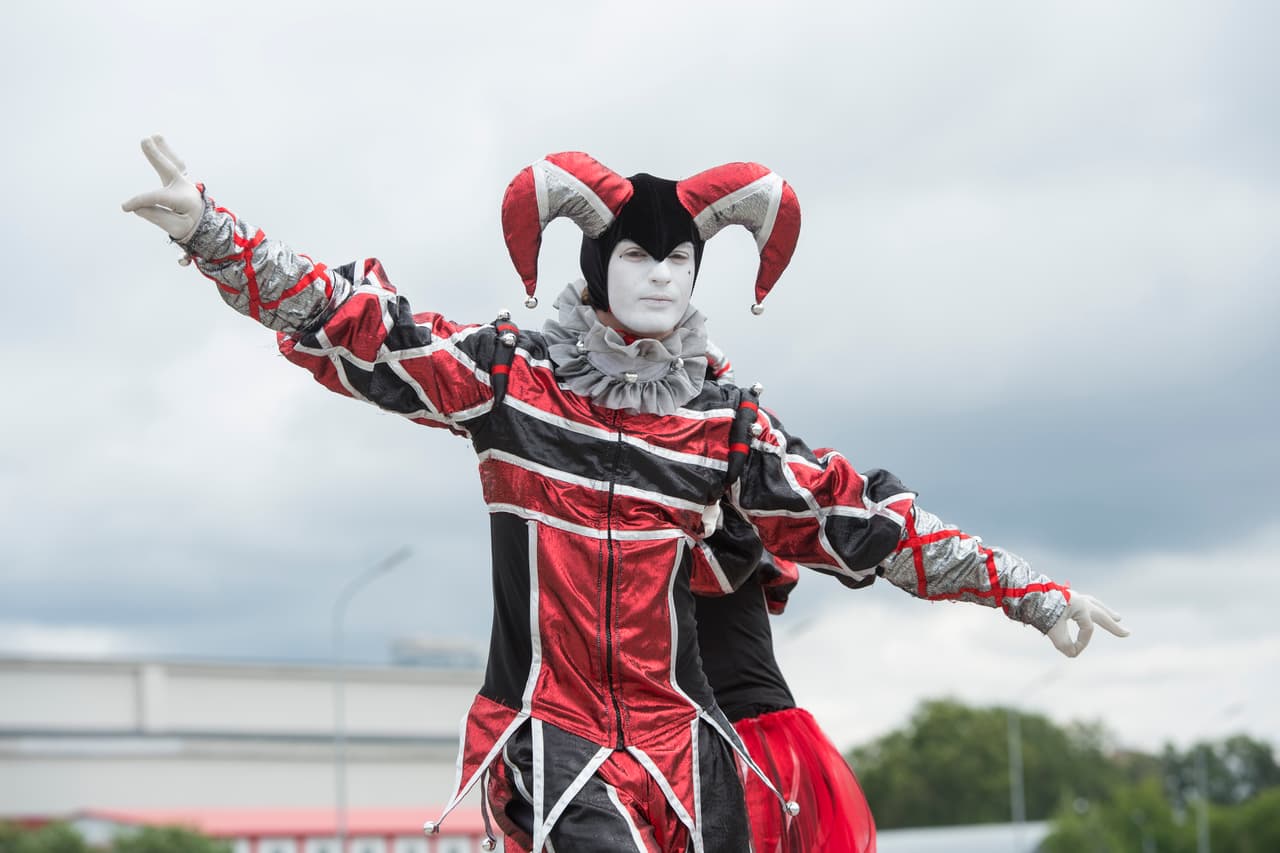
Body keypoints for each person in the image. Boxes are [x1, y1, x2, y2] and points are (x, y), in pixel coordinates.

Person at [122, 138, 1128, 853]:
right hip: (548, 726)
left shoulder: (722, 426)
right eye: (639, 256)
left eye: (679, 259)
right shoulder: (513, 382)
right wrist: (215, 234)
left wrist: (1030, 593)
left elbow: (857, 517)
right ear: (598, 266)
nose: (660, 276)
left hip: (684, 742)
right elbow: (365, 325)